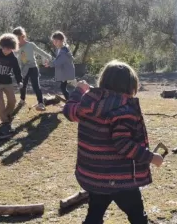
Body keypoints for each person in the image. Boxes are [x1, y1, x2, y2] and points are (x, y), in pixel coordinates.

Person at [63, 60, 163, 224]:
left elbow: (69, 111)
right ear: (131, 85)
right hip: (121, 179)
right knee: (137, 215)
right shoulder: (124, 110)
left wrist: (79, 91)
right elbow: (124, 145)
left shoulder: (87, 103)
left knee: (94, 214)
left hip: (95, 176)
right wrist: (151, 157)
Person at [12, 27, 53, 111]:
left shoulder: (30, 45)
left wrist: (49, 58)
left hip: (33, 68)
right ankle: (22, 100)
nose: (17, 40)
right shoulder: (16, 48)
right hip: (23, 69)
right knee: (22, 85)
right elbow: (12, 57)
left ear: (23, 36)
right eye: (15, 38)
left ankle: (41, 103)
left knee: (36, 86)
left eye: (18, 38)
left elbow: (41, 52)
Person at [44, 31, 75, 100]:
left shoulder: (64, 51)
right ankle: (69, 101)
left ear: (61, 40)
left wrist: (50, 64)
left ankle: (70, 101)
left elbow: (59, 61)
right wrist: (50, 62)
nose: (54, 43)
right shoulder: (59, 49)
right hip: (65, 71)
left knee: (63, 88)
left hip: (66, 72)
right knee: (64, 87)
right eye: (53, 41)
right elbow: (57, 60)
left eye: (56, 41)